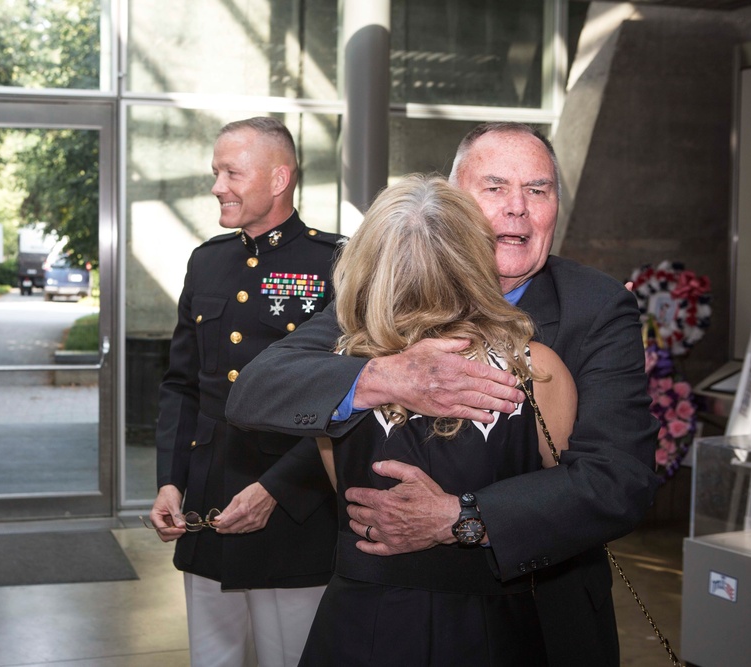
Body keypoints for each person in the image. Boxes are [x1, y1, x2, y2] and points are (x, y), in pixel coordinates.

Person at [226, 123, 660, 666]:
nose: (518, 209)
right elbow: (258, 390)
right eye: (496, 187)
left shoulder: (595, 307)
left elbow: (620, 479)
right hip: (377, 618)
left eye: (538, 190)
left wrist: (462, 517)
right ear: (453, 203)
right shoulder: (375, 303)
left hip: (539, 618)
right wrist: (388, 376)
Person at [302, 173, 577, 665]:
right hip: (490, 629)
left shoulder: (336, 375)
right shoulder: (536, 369)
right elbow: (558, 506)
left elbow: (339, 487)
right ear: (475, 256)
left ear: (368, 263)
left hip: (361, 627)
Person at [146, 117, 342, 667]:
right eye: (216, 172)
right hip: (210, 506)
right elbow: (182, 385)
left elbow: (348, 400)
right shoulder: (207, 260)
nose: (217, 186)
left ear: (279, 179)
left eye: (232, 172)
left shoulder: (338, 264)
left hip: (295, 511)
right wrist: (169, 482)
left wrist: (277, 489)